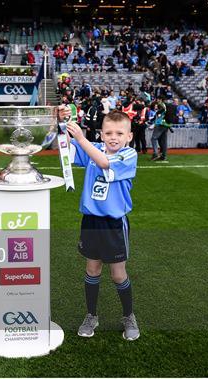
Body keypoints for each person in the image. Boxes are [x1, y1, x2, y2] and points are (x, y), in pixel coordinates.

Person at [65, 110, 139, 341]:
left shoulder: (129, 154)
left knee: (118, 275)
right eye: (108, 132)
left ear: (129, 136)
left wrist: (81, 138)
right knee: (92, 269)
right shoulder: (94, 147)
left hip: (114, 223)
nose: (113, 137)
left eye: (119, 133)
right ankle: (91, 315)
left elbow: (104, 162)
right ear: (101, 133)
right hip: (91, 221)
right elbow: (67, 151)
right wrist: (65, 125)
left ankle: (129, 316)